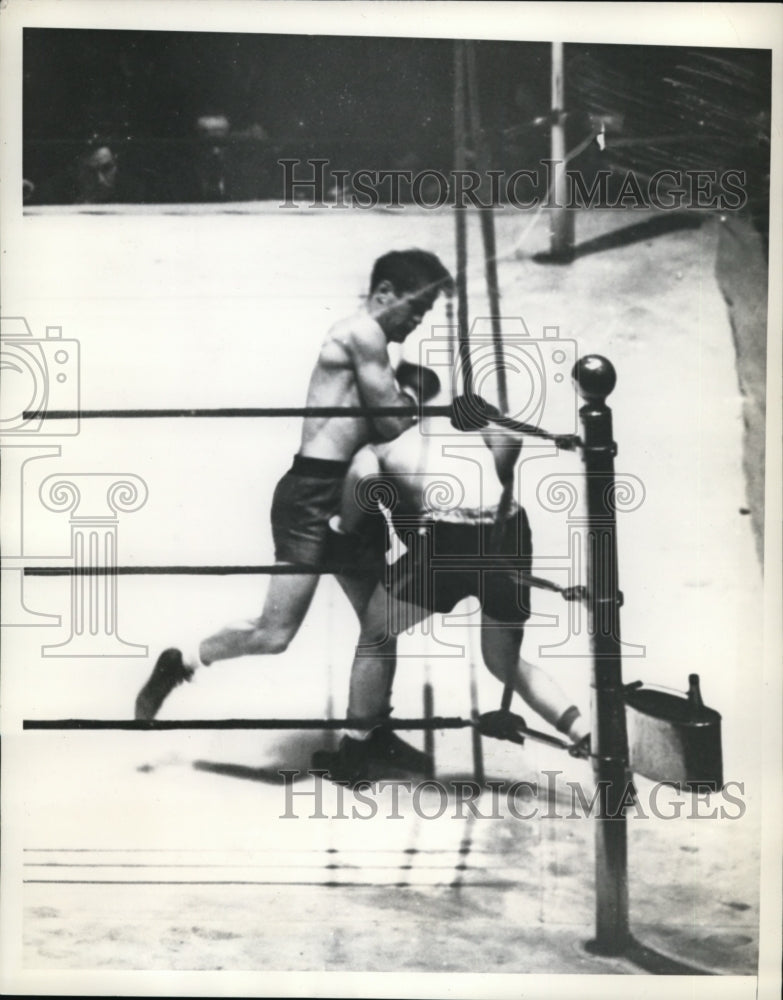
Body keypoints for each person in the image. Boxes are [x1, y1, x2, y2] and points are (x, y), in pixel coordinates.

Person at [134, 249, 453, 720]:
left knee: (379, 626)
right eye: (414, 309)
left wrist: (407, 395)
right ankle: (181, 661)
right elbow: (390, 424)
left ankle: (368, 736)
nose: (416, 323)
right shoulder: (361, 333)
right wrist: (415, 393)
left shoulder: (373, 343)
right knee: (274, 635)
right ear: (385, 293)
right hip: (312, 495)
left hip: (353, 494)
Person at [315, 380, 590, 782]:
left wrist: (336, 526)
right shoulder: (449, 428)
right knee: (504, 661)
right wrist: (487, 421)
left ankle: (354, 754)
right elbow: (508, 450)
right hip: (508, 528)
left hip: (452, 540)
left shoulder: (371, 455)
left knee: (376, 632)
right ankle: (593, 743)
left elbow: (344, 528)